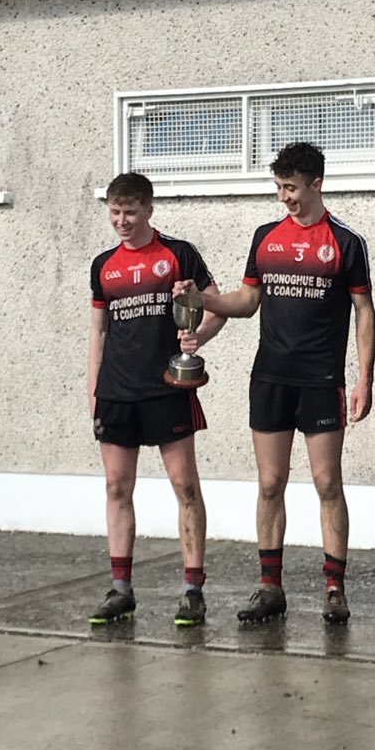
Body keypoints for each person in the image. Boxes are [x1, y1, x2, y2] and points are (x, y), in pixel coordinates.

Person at [175, 142, 375, 624]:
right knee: (270, 482)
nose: (283, 197)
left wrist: (363, 379)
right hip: (270, 377)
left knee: (328, 482)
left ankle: (333, 588)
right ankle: (270, 587)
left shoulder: (346, 242)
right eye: (279, 187)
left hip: (320, 378)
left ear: (316, 184)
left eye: (290, 187)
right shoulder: (266, 237)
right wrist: (200, 300)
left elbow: (364, 313)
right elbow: (245, 302)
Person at [87, 173, 225, 628]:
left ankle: (192, 591)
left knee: (185, 487)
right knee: (115, 489)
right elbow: (98, 333)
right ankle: (121, 590)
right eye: (114, 213)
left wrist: (195, 339)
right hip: (117, 393)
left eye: (129, 212)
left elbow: (218, 305)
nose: (122, 222)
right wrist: (93, 393)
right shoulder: (102, 266)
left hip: (167, 388)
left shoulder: (177, 254)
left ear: (148, 209)